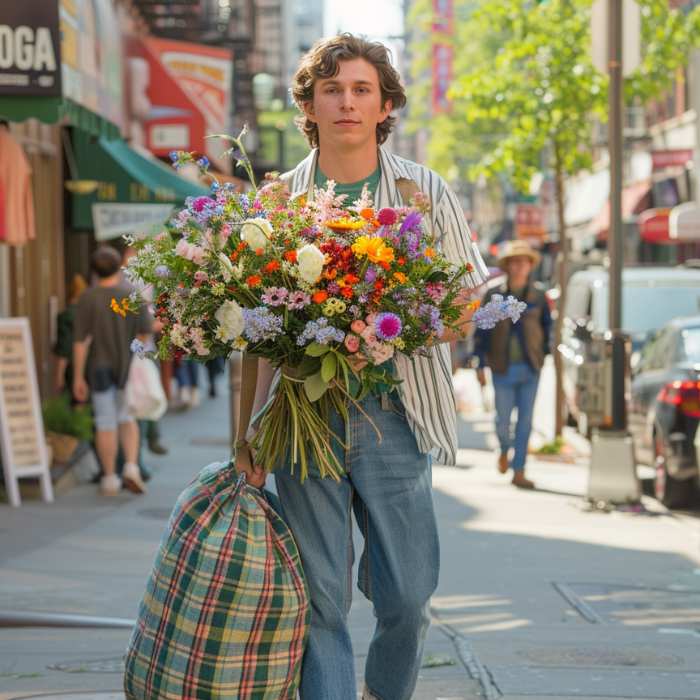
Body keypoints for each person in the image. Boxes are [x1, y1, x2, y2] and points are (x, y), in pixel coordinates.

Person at [235, 34, 488, 700]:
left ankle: (383, 690)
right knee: (319, 600)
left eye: (361, 90)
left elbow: (464, 304)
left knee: (407, 595)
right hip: (301, 414)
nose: (346, 102)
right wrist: (245, 431)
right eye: (331, 90)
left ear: (384, 106)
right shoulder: (279, 200)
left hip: (393, 414)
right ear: (309, 106)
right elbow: (255, 335)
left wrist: (392, 323)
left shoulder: (421, 190)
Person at [72, 245, 153, 496]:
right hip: (128, 365)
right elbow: (145, 331)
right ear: (119, 266)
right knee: (128, 418)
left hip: (98, 367)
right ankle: (130, 466)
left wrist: (77, 377)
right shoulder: (132, 293)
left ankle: (109, 478)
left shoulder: (88, 297)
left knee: (105, 422)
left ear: (94, 270)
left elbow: (80, 342)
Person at [474, 240, 552, 490]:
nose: (520, 267)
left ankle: (519, 469)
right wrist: (479, 363)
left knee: (526, 421)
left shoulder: (539, 295)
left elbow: (548, 329)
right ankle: (504, 449)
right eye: (515, 262)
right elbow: (481, 330)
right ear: (508, 266)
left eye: (524, 262)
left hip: (530, 367)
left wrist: (544, 356)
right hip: (501, 366)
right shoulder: (493, 294)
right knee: (503, 420)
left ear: (530, 266)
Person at [53, 274, 88, 395]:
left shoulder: (65, 317)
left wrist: (59, 375)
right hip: (92, 366)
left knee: (76, 404)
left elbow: (64, 347)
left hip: (72, 368)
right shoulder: (90, 315)